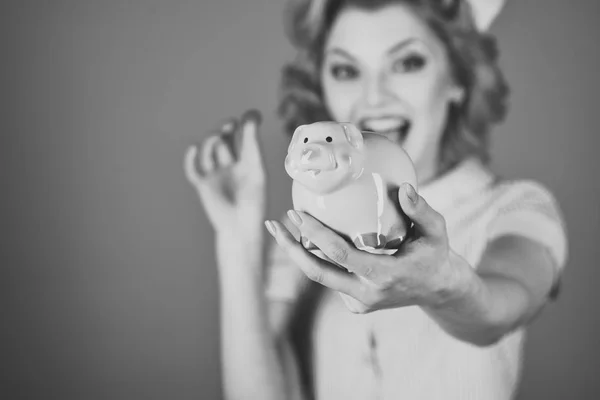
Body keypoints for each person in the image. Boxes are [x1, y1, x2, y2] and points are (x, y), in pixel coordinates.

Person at [183, 0, 568, 399]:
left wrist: (443, 287)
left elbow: (498, 310)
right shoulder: (308, 234)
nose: (373, 98)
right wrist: (236, 238)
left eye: (407, 63)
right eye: (346, 70)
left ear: (459, 77)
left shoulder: (516, 208)